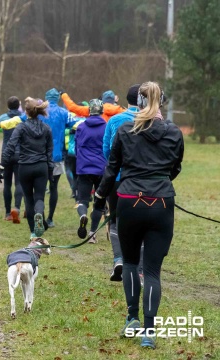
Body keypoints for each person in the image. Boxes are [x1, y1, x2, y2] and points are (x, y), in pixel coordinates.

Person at [94, 81, 183, 349]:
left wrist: (99, 201)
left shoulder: (124, 129)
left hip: (129, 200)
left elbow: (112, 169)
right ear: (161, 102)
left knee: (131, 263)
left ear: (139, 103)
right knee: (153, 271)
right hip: (161, 203)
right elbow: (175, 167)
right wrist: (160, 180)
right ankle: (149, 331)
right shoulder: (173, 132)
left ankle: (132, 318)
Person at [103, 84, 142, 282]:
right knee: (141, 224)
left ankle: (119, 259)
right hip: (142, 181)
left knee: (115, 221)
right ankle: (141, 268)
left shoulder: (115, 120)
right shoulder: (149, 121)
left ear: (126, 100)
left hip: (117, 179)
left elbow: (106, 150)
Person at [1, 98, 54, 238]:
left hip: (25, 167)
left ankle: (33, 234)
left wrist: (2, 165)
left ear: (26, 112)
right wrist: (50, 172)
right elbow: (49, 153)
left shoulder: (21, 127)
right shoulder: (46, 128)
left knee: (28, 199)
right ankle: (39, 214)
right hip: (41, 166)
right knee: (39, 197)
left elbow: (10, 146)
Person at [41, 88, 79, 227]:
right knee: (53, 187)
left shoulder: (39, 111)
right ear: (57, 98)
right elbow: (77, 123)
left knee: (40, 188)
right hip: (56, 156)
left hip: (40, 156)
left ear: (46, 98)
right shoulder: (64, 113)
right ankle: (50, 219)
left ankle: (41, 216)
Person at [74, 99, 107, 243]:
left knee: (82, 200)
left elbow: (76, 148)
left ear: (89, 111)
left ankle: (82, 215)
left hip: (84, 168)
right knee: (99, 202)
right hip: (101, 169)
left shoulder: (81, 127)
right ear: (101, 111)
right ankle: (92, 234)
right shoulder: (106, 127)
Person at [0, 97, 24, 222]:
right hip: (20, 153)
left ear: (7, 106)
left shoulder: (2, 118)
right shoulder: (23, 118)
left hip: (6, 154)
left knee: (7, 184)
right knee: (19, 183)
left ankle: (7, 213)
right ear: (18, 105)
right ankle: (16, 208)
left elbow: (0, 129)